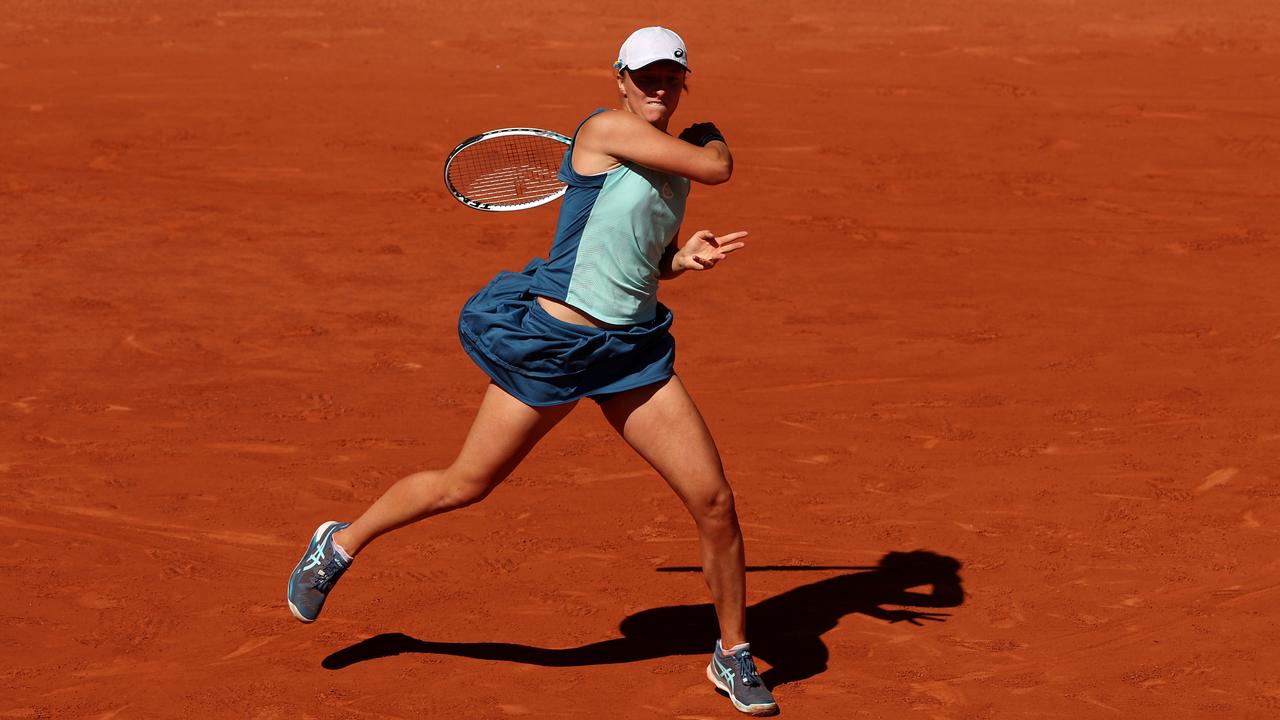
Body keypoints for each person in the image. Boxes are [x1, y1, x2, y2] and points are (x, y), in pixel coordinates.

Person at [286, 26, 778, 716]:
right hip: (554, 347)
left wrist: (680, 260)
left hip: (631, 352)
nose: (658, 87)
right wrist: (715, 138)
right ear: (620, 79)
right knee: (466, 484)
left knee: (715, 503)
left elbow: (640, 258)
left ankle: (733, 653)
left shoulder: (670, 166)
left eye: (670, 77)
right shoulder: (606, 131)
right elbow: (719, 168)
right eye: (646, 77)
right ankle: (337, 543)